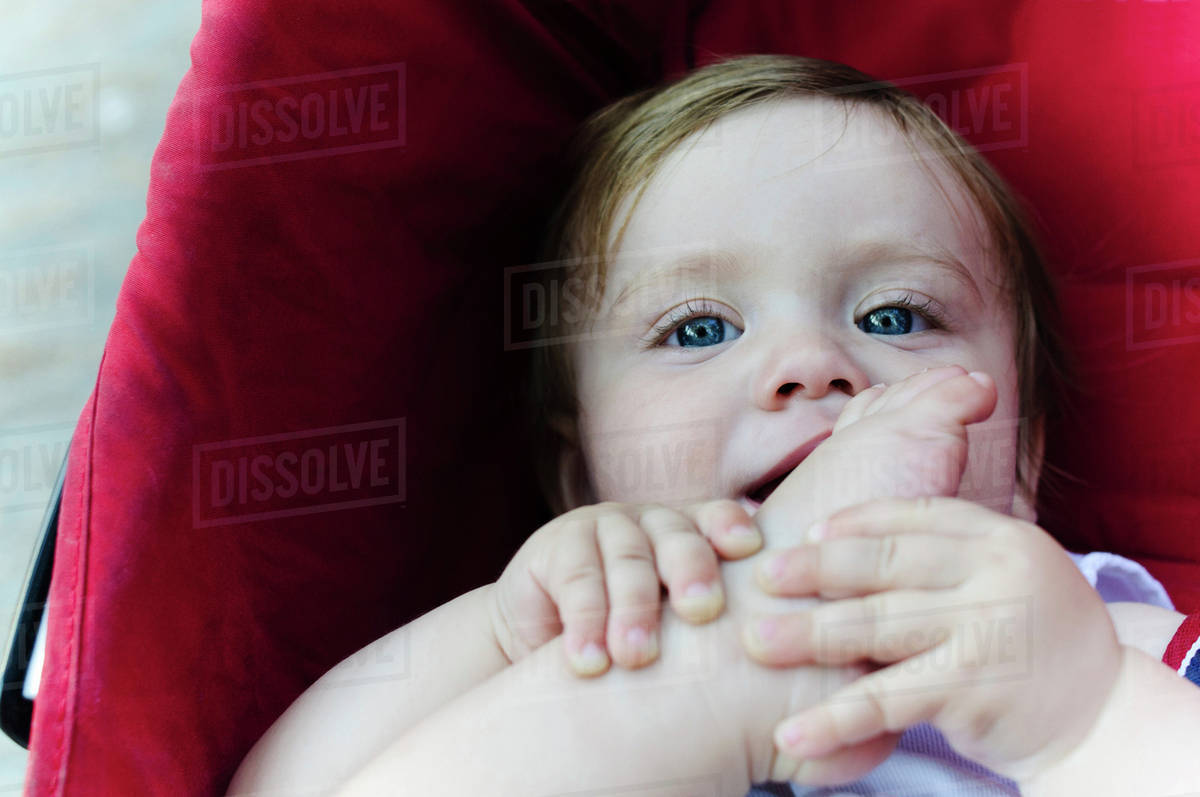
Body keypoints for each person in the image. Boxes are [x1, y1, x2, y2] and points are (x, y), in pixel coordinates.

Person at [227, 55, 1200, 797]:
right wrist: (498, 628)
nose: (809, 363)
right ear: (581, 478)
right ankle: (716, 677)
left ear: (1022, 454)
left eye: (897, 316)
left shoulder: (1089, 634)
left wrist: (1090, 716)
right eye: (698, 327)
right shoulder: (581, 633)